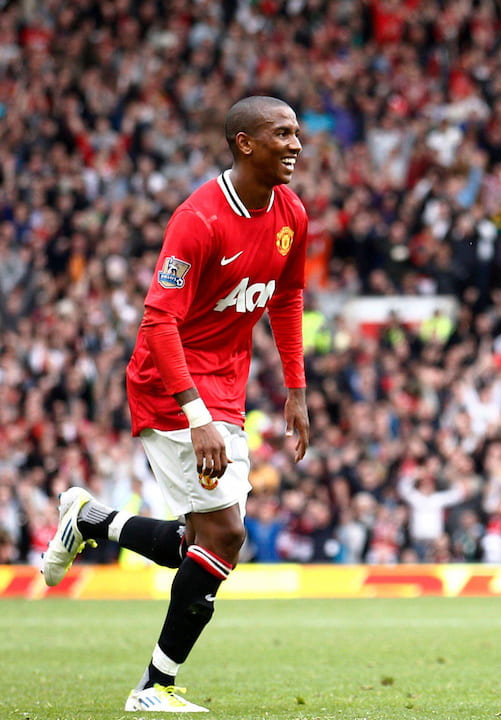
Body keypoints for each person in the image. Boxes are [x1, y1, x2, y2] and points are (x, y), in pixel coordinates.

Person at [40, 96, 310, 713]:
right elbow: (160, 323)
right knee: (226, 534)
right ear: (245, 143)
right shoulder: (199, 219)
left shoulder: (291, 211)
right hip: (171, 382)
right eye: (282, 134)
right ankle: (153, 689)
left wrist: (295, 386)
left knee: (205, 538)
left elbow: (287, 298)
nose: (295, 144)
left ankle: (90, 520)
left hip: (228, 385)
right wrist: (197, 418)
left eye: (296, 133)